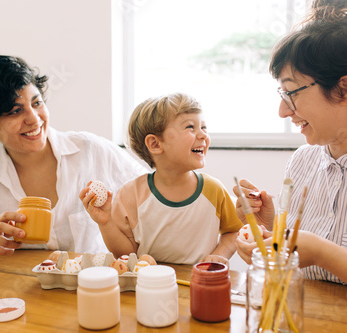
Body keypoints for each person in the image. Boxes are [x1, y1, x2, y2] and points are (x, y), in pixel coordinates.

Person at [234, 0, 347, 318]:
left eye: (292, 93)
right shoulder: (302, 162)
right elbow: (301, 253)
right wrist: (270, 230)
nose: (283, 111)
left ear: (343, 90)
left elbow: (318, 250)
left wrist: (324, 253)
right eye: (281, 95)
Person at [0, 53, 147, 265]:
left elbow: (154, 194)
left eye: (37, 103)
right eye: (15, 111)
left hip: (92, 287)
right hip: (17, 295)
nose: (34, 119)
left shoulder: (91, 150)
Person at [80, 93, 242, 265]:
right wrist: (106, 223)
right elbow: (127, 255)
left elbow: (234, 231)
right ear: (155, 144)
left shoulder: (213, 190)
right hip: (147, 284)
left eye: (204, 127)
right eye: (190, 127)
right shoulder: (130, 195)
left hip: (198, 284)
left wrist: (219, 255)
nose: (203, 135)